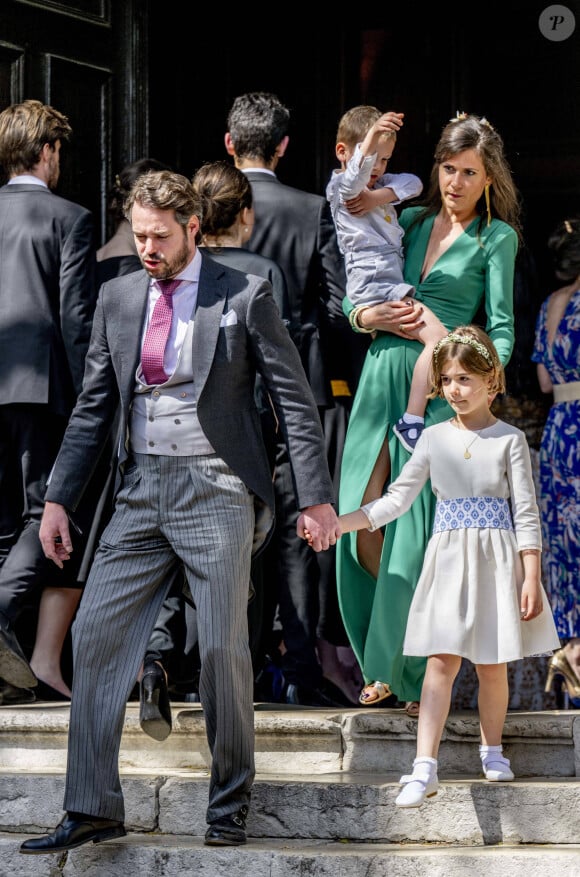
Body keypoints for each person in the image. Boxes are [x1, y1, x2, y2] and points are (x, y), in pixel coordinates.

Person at [19, 169, 340, 855]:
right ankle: (93, 804)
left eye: (160, 236)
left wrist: (313, 497)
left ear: (193, 228)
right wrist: (56, 499)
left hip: (216, 484)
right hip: (140, 489)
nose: (147, 248)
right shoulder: (118, 296)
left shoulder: (245, 293)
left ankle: (229, 803)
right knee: (97, 632)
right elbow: (93, 407)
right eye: (138, 235)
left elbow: (294, 401)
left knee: (223, 646)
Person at [324, 327, 560, 806]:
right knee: (440, 662)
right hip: (448, 559)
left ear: (492, 382)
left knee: (493, 664)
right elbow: (396, 499)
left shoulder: (509, 439)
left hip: (495, 558)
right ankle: (423, 766)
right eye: (446, 379)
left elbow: (527, 511)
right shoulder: (431, 438)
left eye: (465, 379)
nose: (454, 388)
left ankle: (492, 750)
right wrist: (343, 523)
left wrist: (531, 574)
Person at [337, 112, 522, 714]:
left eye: (471, 173)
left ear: (489, 179)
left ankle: (404, 675)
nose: (456, 182)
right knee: (357, 520)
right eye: (448, 168)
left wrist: (458, 364)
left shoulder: (498, 238)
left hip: (438, 385)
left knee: (415, 532)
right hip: (377, 375)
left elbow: (502, 331)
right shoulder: (410, 217)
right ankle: (383, 656)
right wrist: (367, 317)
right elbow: (349, 295)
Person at [140, 159, 291, 732]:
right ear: (244, 215)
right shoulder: (257, 278)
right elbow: (280, 373)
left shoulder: (183, 278)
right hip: (235, 442)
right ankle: (217, 684)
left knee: (168, 566)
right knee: (223, 573)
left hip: (168, 445)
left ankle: (156, 661)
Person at [225, 91, 364, 707]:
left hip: (226, 387)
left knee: (229, 523)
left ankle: (240, 661)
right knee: (296, 528)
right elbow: (338, 308)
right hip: (298, 387)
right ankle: (304, 665)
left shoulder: (211, 206)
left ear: (229, 144)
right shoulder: (312, 210)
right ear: (284, 146)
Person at [0, 99, 98, 702]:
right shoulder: (70, 218)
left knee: (5, 526)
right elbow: (76, 320)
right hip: (42, 393)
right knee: (49, 515)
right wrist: (96, 396)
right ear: (47, 151)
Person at [327, 105, 445, 452]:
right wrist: (372, 139)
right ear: (342, 151)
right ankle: (412, 419)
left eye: (385, 160)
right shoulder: (341, 191)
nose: (377, 168)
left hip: (385, 281)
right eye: (372, 158)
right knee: (437, 336)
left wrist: (379, 197)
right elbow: (353, 182)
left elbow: (415, 183)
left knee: (426, 339)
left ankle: (408, 414)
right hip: (376, 284)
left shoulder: (376, 189)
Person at [532, 217, 580, 707]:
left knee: (564, 546)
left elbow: (545, 383)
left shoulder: (552, 304)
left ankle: (571, 647)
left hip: (561, 427)